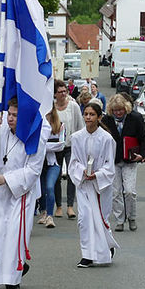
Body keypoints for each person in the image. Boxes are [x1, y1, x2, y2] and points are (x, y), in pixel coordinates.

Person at [0, 98, 48, 289]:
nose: (11, 118)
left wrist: (6, 179)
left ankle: (12, 282)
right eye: (10, 114)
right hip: (0, 193)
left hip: (20, 192)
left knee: (15, 235)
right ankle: (16, 267)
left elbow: (33, 170)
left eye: (15, 115)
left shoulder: (35, 136)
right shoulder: (2, 130)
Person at [69, 99, 118, 268]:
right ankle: (87, 255)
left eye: (92, 115)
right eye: (86, 114)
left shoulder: (106, 139)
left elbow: (109, 165)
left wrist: (97, 175)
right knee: (84, 218)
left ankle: (107, 246)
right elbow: (73, 162)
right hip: (84, 184)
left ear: (99, 117)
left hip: (99, 186)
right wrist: (82, 171)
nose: (88, 117)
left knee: (100, 218)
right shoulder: (76, 137)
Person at [101, 94, 145, 232]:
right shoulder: (107, 120)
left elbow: (143, 138)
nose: (118, 113)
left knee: (129, 191)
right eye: (115, 110)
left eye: (120, 110)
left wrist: (144, 155)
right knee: (116, 192)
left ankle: (132, 217)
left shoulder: (135, 118)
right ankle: (120, 220)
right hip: (113, 160)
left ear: (125, 108)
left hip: (130, 159)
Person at [53, 79, 84, 220]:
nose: (63, 94)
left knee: (72, 175)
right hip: (55, 147)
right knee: (56, 176)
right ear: (54, 94)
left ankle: (70, 206)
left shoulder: (73, 106)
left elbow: (80, 127)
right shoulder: (51, 107)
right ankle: (58, 206)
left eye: (65, 91)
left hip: (71, 146)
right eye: (60, 92)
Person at [36, 106, 65, 229]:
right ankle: (43, 211)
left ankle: (49, 215)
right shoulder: (38, 124)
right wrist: (47, 146)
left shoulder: (60, 126)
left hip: (54, 163)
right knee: (41, 189)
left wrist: (43, 146)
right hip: (39, 163)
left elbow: (61, 145)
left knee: (49, 186)